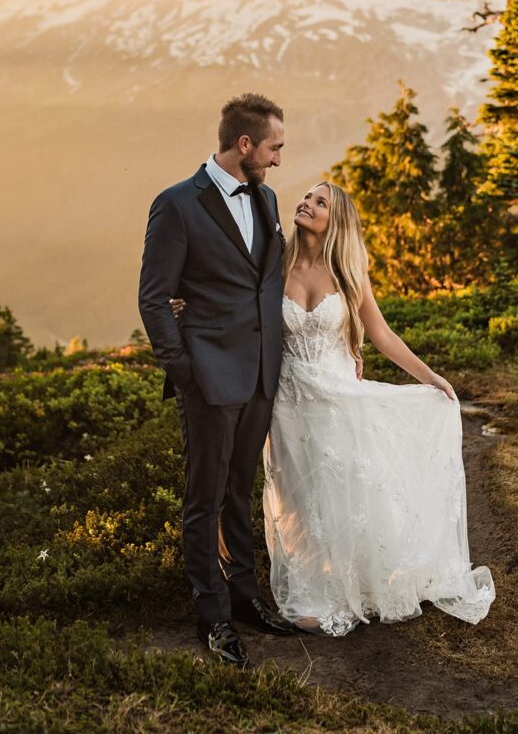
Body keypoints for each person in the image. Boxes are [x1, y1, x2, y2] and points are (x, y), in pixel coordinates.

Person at [172, 180, 495, 638]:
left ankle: (357, 582)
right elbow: (232, 294)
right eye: (306, 197)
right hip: (287, 403)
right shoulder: (273, 263)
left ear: (335, 219)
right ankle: (312, 588)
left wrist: (430, 377)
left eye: (319, 202)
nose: (306, 203)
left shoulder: (347, 271)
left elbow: (381, 335)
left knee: (345, 491)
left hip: (337, 398)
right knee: (299, 501)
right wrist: (185, 303)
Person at [138, 93, 294, 669]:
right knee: (203, 498)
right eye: (274, 148)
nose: (279, 160)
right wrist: (185, 371)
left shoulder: (269, 197)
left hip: (259, 373)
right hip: (207, 377)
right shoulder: (177, 205)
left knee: (240, 488)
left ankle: (246, 596)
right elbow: (153, 299)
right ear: (245, 145)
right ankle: (213, 616)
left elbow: (265, 283)